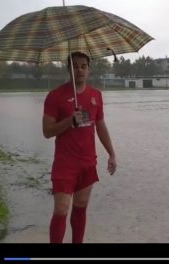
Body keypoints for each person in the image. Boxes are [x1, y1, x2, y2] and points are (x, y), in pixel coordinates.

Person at [43, 51, 117, 243]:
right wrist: (70, 121)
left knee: (81, 205)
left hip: (87, 161)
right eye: (75, 66)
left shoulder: (96, 95)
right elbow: (47, 131)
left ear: (89, 70)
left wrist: (111, 153)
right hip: (65, 163)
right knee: (61, 209)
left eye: (83, 66)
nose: (79, 70)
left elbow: (100, 126)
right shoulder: (55, 96)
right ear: (69, 69)